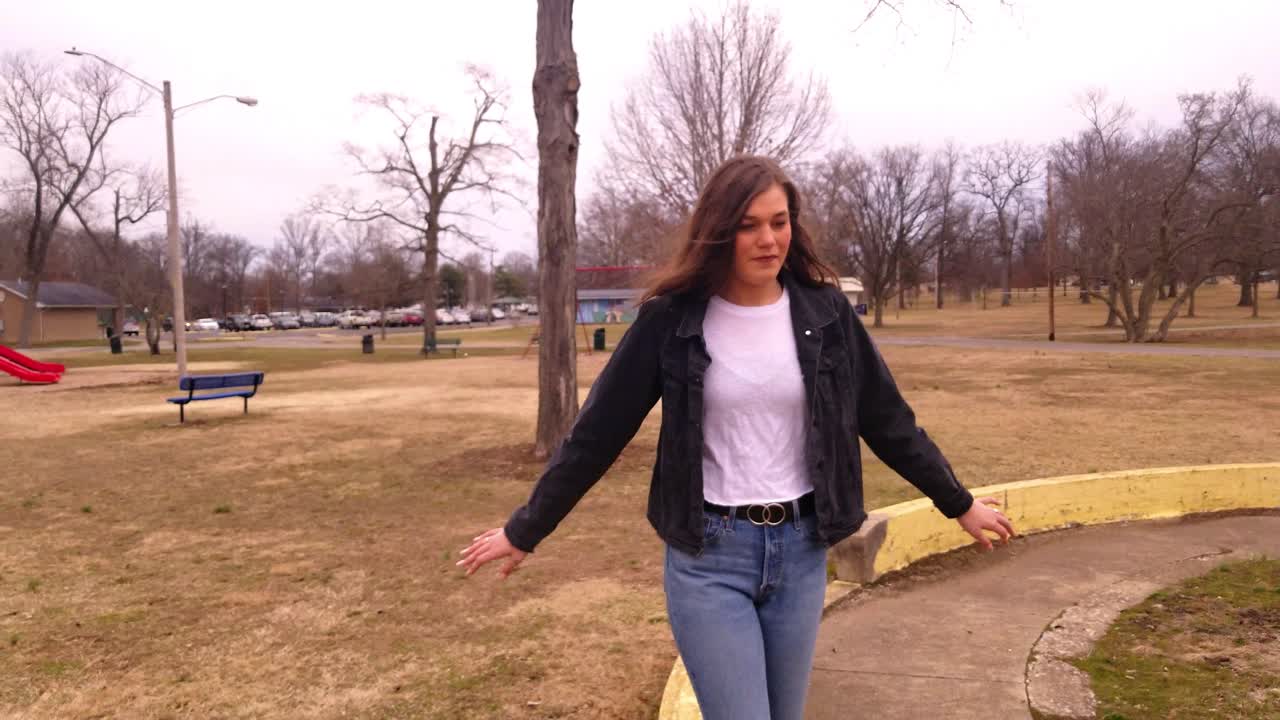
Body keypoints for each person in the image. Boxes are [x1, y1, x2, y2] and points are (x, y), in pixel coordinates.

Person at [457, 156, 1015, 720]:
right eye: (749, 226)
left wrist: (958, 502)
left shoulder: (825, 313)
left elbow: (887, 419)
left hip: (802, 550)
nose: (768, 240)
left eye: (779, 222)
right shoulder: (670, 320)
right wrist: (526, 529)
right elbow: (596, 436)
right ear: (719, 232)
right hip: (710, 557)